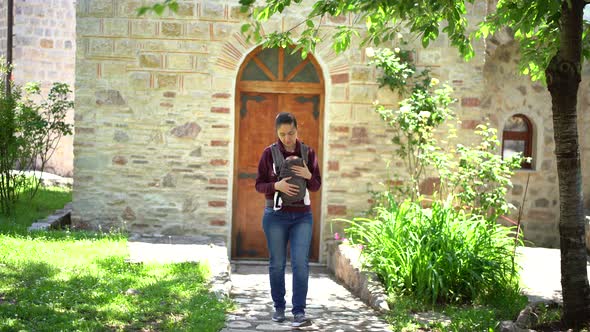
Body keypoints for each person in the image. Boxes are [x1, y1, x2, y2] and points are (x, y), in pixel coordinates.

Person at [255, 112, 321, 327]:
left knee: (301, 263)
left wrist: (308, 175)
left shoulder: (308, 153)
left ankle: (299, 311)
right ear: (277, 133)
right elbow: (259, 185)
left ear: (297, 129)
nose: (287, 138)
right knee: (277, 264)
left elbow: (316, 186)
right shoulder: (268, 153)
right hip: (275, 216)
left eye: (291, 133)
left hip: (303, 216)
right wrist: (276, 186)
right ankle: (279, 307)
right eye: (282, 134)